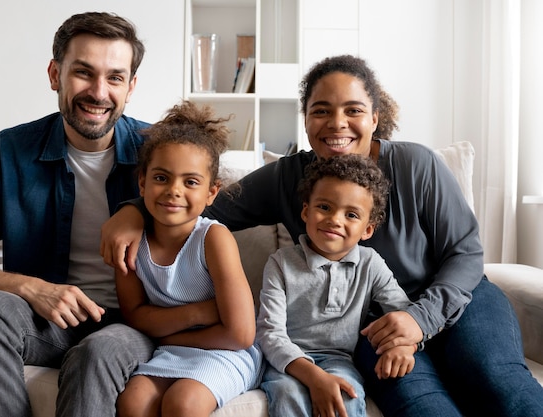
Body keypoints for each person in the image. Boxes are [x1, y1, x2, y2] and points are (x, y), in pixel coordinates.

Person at [101, 54, 543, 417]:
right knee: (421, 405)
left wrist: (418, 319)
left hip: (456, 301)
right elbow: (197, 204)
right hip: (369, 325)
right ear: (306, 119)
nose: (337, 123)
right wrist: (132, 212)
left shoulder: (416, 165)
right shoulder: (287, 178)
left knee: (498, 382)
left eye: (353, 110)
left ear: (375, 117)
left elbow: (466, 253)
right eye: (321, 110)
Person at [0, 12, 155, 417]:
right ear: (55, 74)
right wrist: (32, 288)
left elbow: (212, 220)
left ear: (131, 87)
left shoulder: (158, 153)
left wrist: (138, 208)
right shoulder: (10, 150)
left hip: (132, 326)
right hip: (45, 319)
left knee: (98, 352)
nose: (99, 92)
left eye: (115, 78)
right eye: (83, 73)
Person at [115, 100, 263, 417]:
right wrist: (198, 313)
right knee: (133, 402)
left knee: (183, 403)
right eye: (161, 178)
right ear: (142, 182)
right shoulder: (129, 241)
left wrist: (164, 330)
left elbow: (240, 334)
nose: (174, 190)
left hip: (227, 352)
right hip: (172, 349)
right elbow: (135, 316)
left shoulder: (213, 238)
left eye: (191, 181)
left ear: (211, 193)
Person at [257, 154, 414, 417]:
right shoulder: (281, 262)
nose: (335, 220)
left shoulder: (370, 263)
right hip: (288, 361)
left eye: (351, 214)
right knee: (287, 395)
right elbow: (270, 333)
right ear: (306, 211)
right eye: (325, 207)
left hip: (339, 360)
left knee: (347, 396)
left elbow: (402, 312)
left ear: (367, 230)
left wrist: (404, 346)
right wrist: (314, 377)